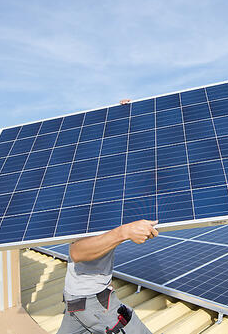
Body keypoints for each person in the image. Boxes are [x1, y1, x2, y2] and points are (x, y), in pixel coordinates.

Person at [57, 99, 157, 334]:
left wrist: (126, 115)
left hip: (78, 301)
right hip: (93, 304)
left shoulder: (111, 189)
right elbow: (77, 251)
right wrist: (124, 232)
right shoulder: (86, 195)